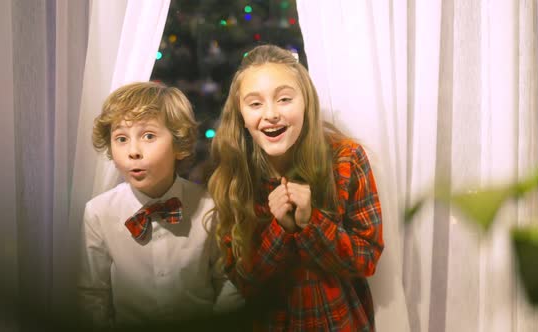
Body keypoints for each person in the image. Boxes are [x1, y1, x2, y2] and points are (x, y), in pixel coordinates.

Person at [207, 44, 384, 331]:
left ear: (306, 103)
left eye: (284, 99)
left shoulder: (346, 159)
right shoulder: (234, 177)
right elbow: (245, 282)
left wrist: (311, 223)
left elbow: (367, 261)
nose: (271, 113)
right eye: (255, 104)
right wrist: (283, 229)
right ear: (240, 115)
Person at [78, 81, 243, 330]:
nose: (133, 151)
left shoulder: (209, 207)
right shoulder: (98, 213)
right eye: (121, 138)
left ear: (179, 144)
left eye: (148, 136)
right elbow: (92, 296)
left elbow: (228, 281)